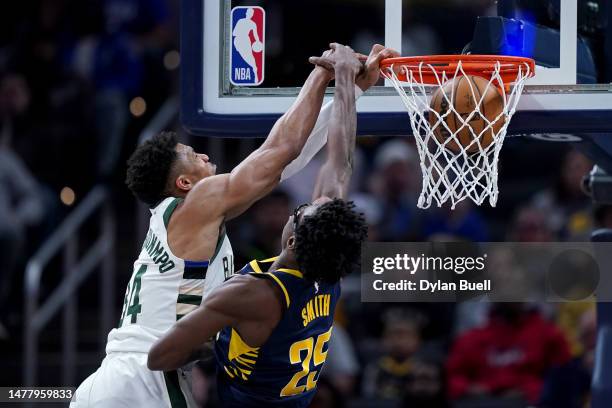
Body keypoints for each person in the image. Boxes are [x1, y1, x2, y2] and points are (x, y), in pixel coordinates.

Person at [71, 42, 393, 407]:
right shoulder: (193, 206)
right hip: (148, 382)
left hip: (123, 377)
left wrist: (350, 89)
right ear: (184, 185)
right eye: (193, 155)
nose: (205, 154)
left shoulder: (194, 221)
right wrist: (324, 72)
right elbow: (278, 151)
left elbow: (284, 162)